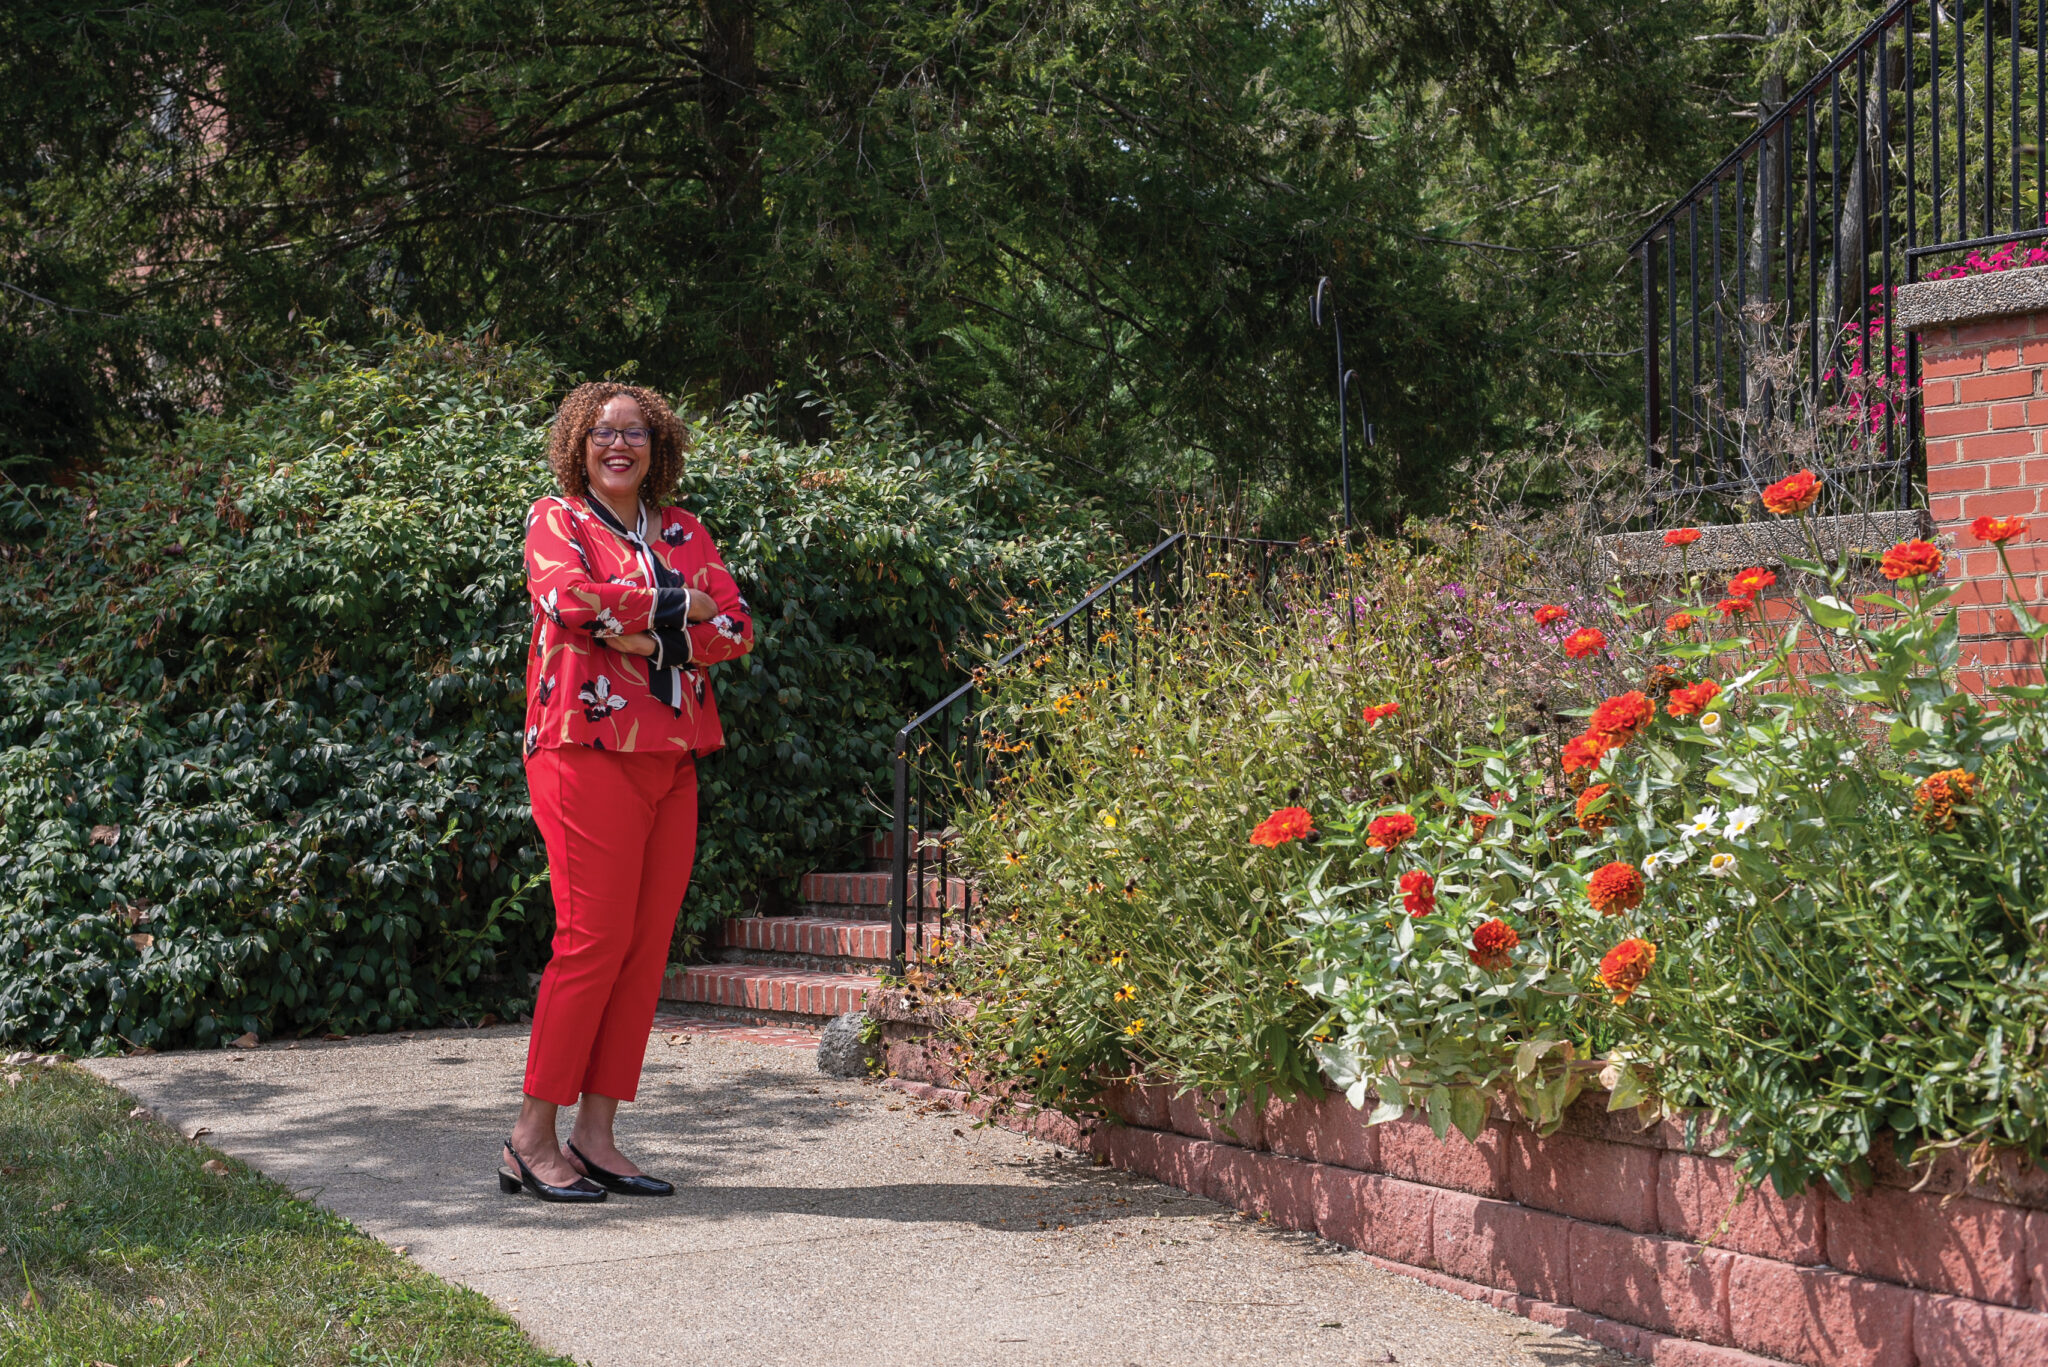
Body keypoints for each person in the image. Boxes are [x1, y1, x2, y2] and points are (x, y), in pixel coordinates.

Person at [497, 382, 754, 1203]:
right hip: (583, 747)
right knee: (591, 940)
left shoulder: (683, 529)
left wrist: (637, 631)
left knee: (644, 949)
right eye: (603, 431)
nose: (619, 444)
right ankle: (530, 1137)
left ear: (657, 444)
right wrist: (683, 609)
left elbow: (737, 627)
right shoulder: (556, 519)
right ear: (579, 442)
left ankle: (596, 1135)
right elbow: (568, 601)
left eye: (634, 431)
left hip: (673, 755)